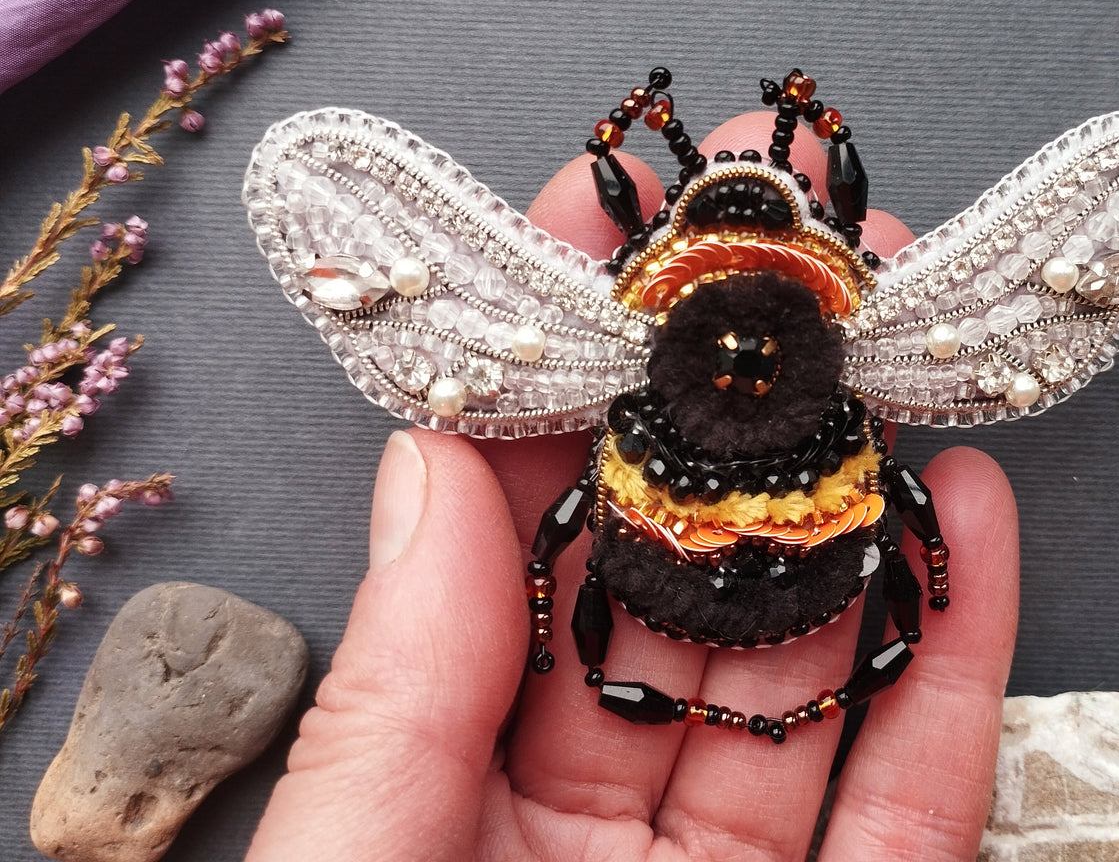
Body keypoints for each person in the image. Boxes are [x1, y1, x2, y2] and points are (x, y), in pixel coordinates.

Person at [244, 113, 1019, 862]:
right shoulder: (834, 323)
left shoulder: (648, 315)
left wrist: (542, 597)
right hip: (792, 550)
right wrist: (934, 565)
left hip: (684, 554)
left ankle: (568, 624)